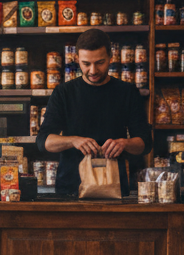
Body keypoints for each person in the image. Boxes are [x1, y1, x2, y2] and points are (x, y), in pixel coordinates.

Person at [36, 28, 151, 196]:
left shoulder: (127, 92)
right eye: (86, 63)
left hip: (113, 188)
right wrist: (73, 141)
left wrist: (124, 143)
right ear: (76, 59)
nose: (93, 70)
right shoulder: (64, 93)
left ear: (111, 58)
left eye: (100, 62)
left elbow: (145, 143)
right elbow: (43, 141)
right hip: (70, 191)